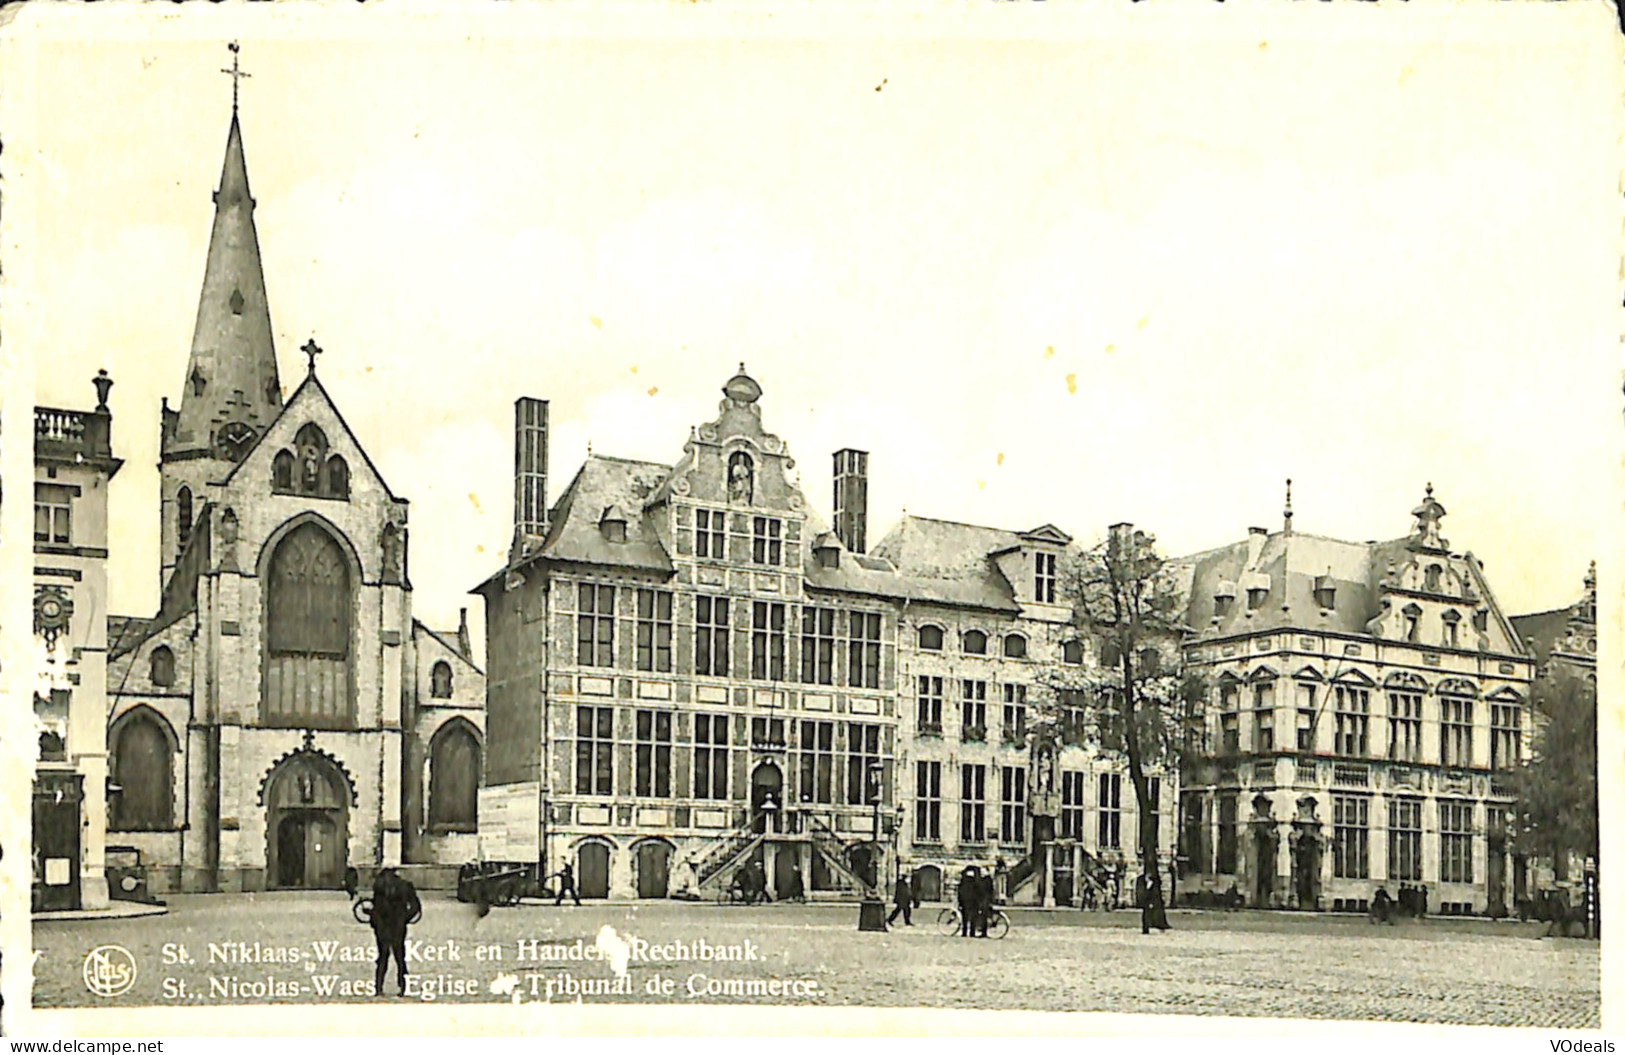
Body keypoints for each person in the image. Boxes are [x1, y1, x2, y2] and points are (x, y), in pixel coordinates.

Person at [370, 868, 421, 997]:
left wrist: (373, 918)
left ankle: (379, 987)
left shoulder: (379, 886)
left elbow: (376, 908)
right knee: (399, 956)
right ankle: (402, 986)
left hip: (383, 926)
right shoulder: (404, 885)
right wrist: (405, 918)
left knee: (383, 956)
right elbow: (415, 907)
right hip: (397, 926)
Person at [957, 867, 979, 937]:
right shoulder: (975, 883)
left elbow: (960, 892)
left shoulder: (963, 883)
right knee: (973, 918)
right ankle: (972, 932)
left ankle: (964, 932)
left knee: (965, 918)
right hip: (973, 901)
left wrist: (960, 901)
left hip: (965, 901)